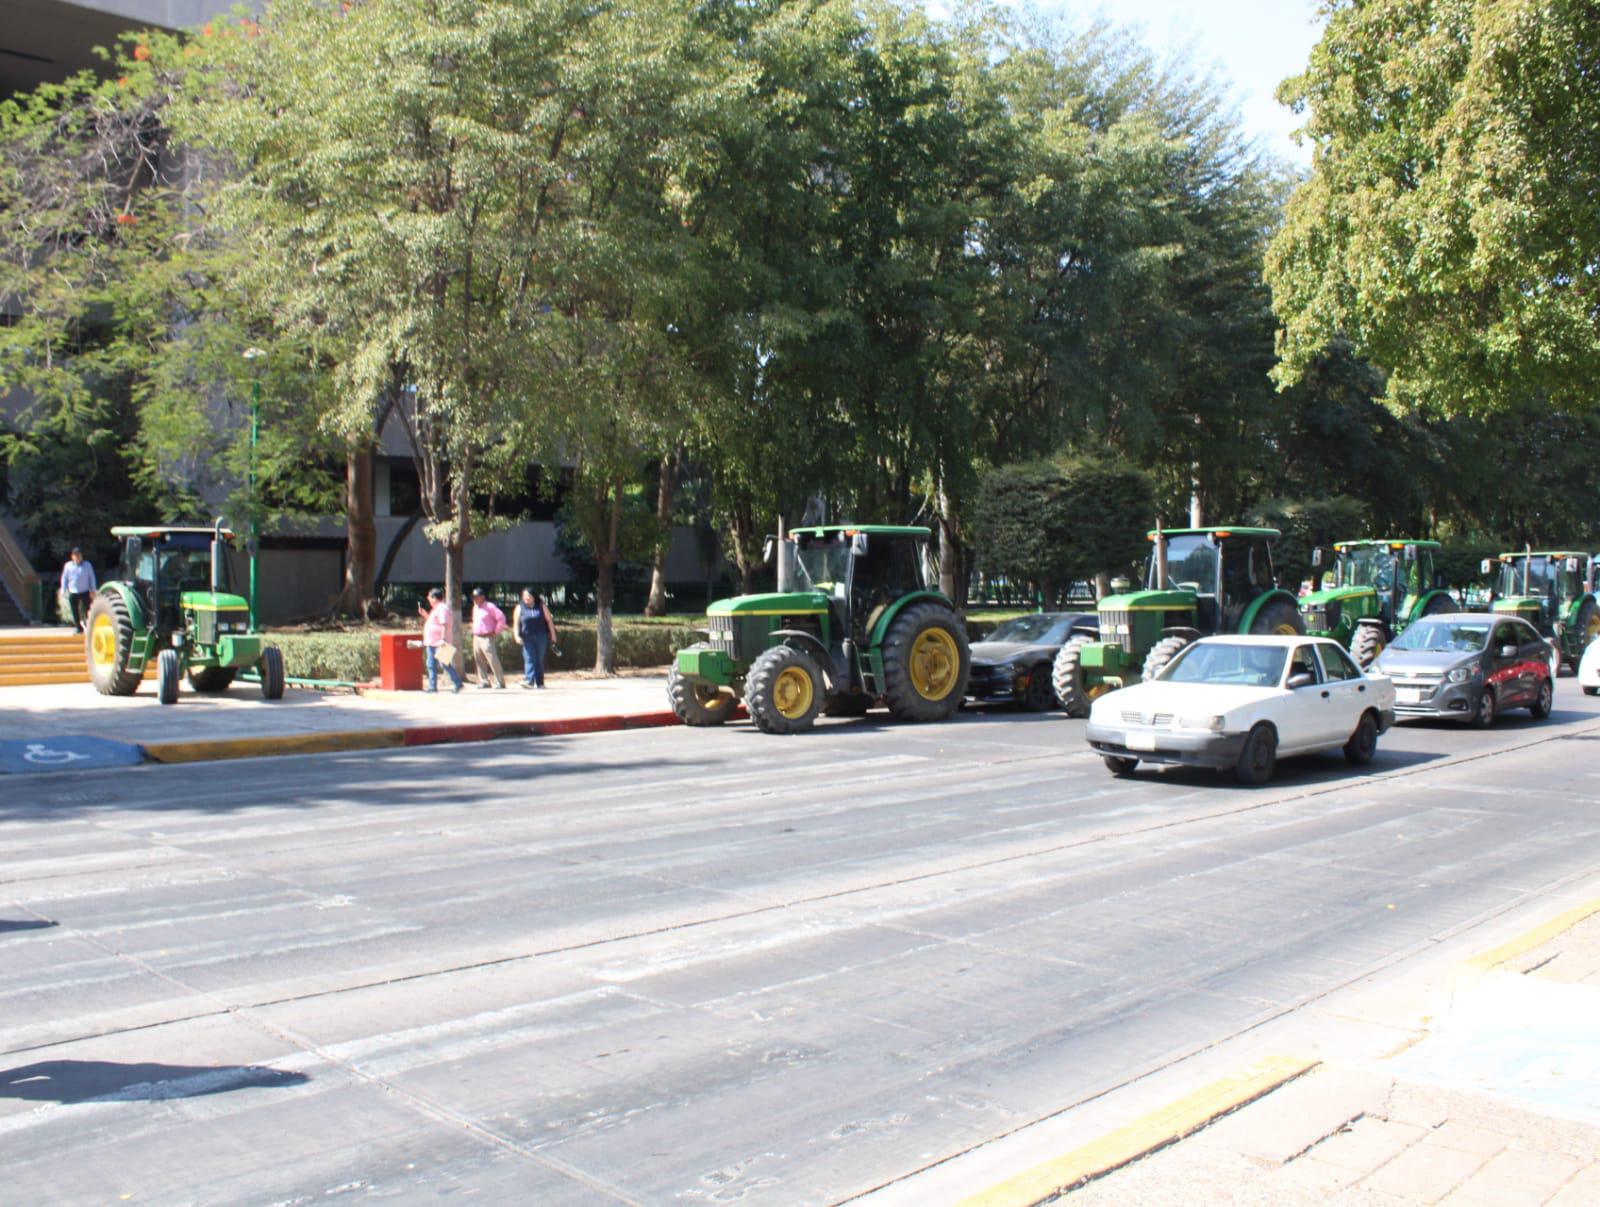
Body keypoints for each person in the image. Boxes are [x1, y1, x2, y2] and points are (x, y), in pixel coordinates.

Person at [416, 588, 462, 693]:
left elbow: (444, 624)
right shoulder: (436, 609)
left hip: (441, 642)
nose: (428, 598)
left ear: (434, 598)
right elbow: (434, 622)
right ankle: (432, 687)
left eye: (429, 596)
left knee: (444, 664)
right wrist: (424, 614)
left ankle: (457, 683)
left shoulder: (442, 608)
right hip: (432, 642)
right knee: (431, 664)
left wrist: (443, 639)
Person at [513, 589, 559, 689]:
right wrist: (516, 636)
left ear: (534, 597)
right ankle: (529, 680)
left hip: (541, 636)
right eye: (524, 595)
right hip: (527, 637)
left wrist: (553, 635)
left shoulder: (541, 606)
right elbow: (516, 624)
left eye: (528, 595)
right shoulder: (519, 607)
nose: (526, 598)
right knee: (529, 658)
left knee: (539, 659)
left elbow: (549, 621)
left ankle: (540, 682)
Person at [470, 588, 508, 689]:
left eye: (476, 597)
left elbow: (501, 618)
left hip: (487, 637)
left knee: (492, 659)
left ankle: (500, 681)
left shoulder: (490, 606)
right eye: (473, 597)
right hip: (477, 636)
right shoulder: (475, 607)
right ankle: (484, 681)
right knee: (479, 660)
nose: (474, 599)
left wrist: (496, 631)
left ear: (482, 597)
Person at [59, 547, 97, 633]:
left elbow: (91, 577)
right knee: (74, 611)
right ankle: (78, 628)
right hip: (73, 591)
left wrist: (93, 589)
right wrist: (63, 589)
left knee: (88, 610)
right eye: (75, 555)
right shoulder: (68, 566)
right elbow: (64, 578)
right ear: (72, 556)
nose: (78, 557)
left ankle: (90, 626)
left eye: (79, 555)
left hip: (85, 591)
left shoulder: (87, 565)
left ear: (82, 556)